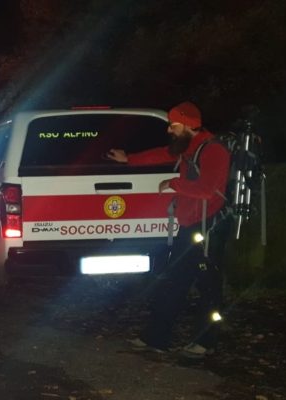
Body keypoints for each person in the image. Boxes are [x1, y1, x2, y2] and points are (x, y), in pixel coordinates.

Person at [106, 101, 231, 358]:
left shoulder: (213, 150)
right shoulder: (188, 147)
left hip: (209, 227)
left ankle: (206, 342)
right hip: (190, 226)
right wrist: (129, 159)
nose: (169, 131)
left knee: (208, 287)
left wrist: (175, 182)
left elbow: (208, 190)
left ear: (188, 125)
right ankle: (157, 338)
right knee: (176, 281)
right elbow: (163, 153)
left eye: (173, 125)